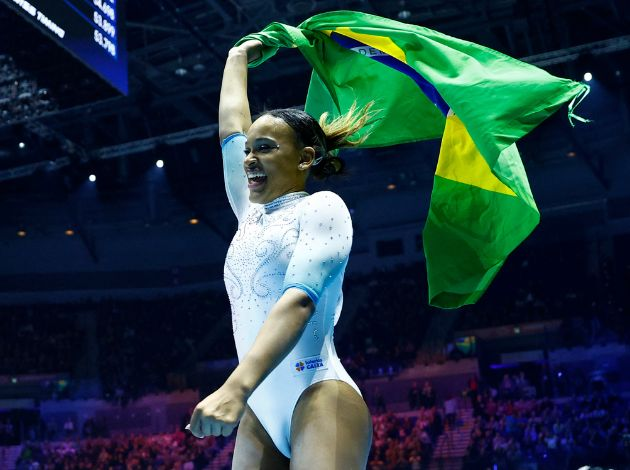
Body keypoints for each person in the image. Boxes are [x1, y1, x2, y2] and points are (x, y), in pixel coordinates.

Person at [186, 39, 373, 469]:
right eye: (249, 149)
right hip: (261, 412)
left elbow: (299, 300)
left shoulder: (322, 208)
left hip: (319, 396)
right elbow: (231, 127)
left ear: (306, 158)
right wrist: (235, 57)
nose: (248, 157)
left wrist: (234, 388)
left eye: (265, 148)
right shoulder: (248, 214)